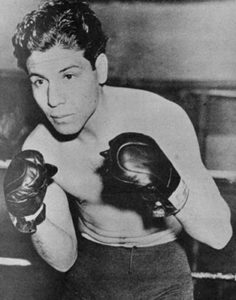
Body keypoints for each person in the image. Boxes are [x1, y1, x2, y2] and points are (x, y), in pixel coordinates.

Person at [3, 0, 232, 299]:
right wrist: (31, 216)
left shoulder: (161, 117)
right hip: (89, 276)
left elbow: (219, 235)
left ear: (99, 69)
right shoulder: (41, 147)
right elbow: (63, 259)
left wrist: (170, 184)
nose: (53, 99)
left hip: (164, 273)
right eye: (39, 81)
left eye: (68, 76)